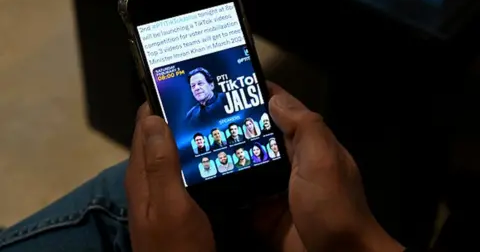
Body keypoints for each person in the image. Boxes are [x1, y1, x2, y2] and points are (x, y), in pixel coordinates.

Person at [0, 83, 405, 252]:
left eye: (200, 85)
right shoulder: (193, 112)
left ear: (212, 85)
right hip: (283, 214)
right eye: (191, 87)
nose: (196, 91)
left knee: (127, 193)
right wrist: (354, 237)